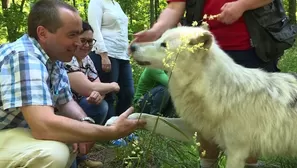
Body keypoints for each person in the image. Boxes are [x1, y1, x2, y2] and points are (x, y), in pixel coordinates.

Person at [132, 0, 289, 167]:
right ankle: (208, 164)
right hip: (196, 52)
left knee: (247, 127)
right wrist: (157, 30)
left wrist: (243, 5)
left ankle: (249, 164)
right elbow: (175, 5)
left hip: (251, 49)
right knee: (202, 122)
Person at [0, 1, 145, 168]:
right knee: (53, 153)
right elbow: (43, 126)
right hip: (5, 132)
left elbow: (66, 102)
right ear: (43, 33)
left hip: (12, 132)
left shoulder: (55, 60)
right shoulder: (23, 56)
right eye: (72, 35)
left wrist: (85, 122)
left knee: (69, 139)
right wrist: (109, 132)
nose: (78, 42)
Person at [65, 21, 120, 168]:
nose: (87, 45)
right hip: (59, 111)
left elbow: (97, 86)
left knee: (100, 106)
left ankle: (81, 156)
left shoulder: (87, 59)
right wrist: (113, 85)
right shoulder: (66, 58)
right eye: (83, 40)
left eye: (90, 41)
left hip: (74, 108)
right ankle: (73, 158)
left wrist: (98, 95)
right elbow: (88, 87)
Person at [87, 0, 134, 122]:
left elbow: (122, 31)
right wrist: (103, 54)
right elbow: (94, 29)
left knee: (128, 93)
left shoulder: (116, 4)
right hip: (106, 54)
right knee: (109, 95)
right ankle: (110, 132)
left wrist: (128, 49)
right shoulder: (96, 2)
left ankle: (121, 126)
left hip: (123, 56)